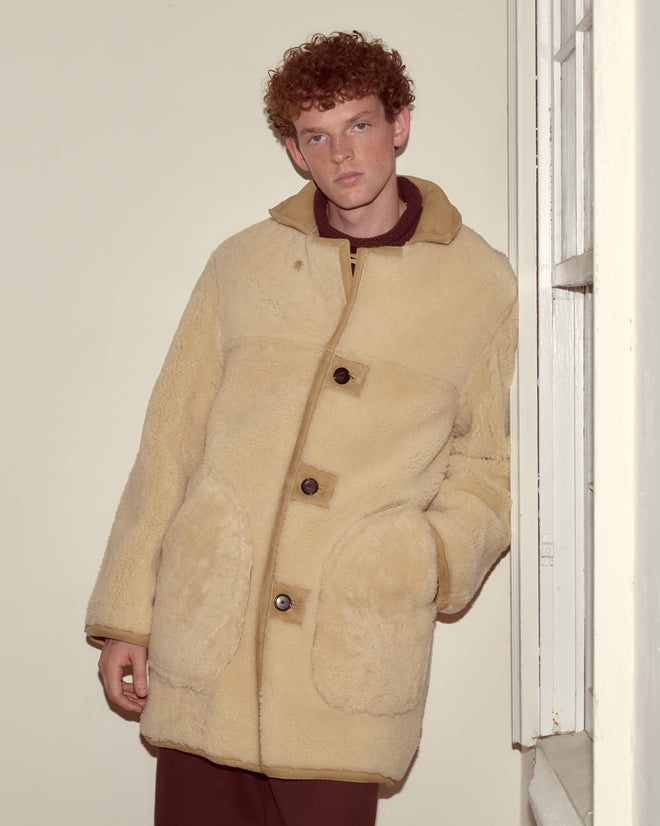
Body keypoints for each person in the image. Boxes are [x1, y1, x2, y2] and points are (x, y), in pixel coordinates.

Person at [86, 30, 517, 826]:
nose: (341, 154)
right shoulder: (241, 265)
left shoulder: (480, 284)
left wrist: (423, 557)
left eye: (359, 124)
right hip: (205, 640)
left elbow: (490, 462)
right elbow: (169, 443)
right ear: (293, 150)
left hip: (349, 655)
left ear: (401, 124)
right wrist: (127, 619)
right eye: (315, 136)